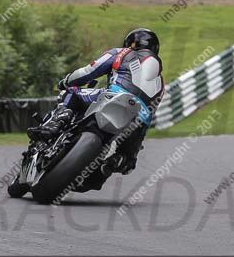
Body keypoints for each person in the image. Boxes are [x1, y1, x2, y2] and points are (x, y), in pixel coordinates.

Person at [27, 28, 164, 173]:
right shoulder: (161, 82)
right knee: (127, 161)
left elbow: (87, 72)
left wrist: (65, 82)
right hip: (139, 120)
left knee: (73, 93)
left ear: (131, 44)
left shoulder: (122, 53)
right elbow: (153, 109)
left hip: (114, 96)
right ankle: (112, 164)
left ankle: (56, 122)